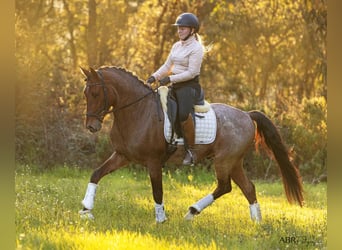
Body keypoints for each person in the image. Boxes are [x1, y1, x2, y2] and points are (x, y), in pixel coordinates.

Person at [146, 12, 205, 165]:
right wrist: (154, 77)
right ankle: (167, 143)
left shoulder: (197, 48)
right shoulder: (176, 46)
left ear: (192, 30)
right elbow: (167, 66)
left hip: (189, 86)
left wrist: (169, 79)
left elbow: (191, 73)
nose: (179, 31)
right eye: (179, 28)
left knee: (183, 114)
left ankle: (191, 151)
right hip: (175, 84)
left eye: (183, 28)